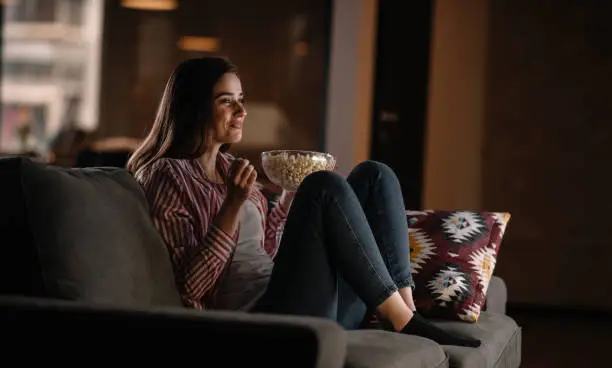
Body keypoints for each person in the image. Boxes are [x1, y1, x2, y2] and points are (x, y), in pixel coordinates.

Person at [127, 57, 480, 348]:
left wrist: (285, 204)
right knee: (324, 186)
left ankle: (405, 309)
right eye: (226, 100)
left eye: (241, 99)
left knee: (375, 174)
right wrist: (231, 206)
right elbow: (189, 287)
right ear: (194, 108)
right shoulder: (166, 175)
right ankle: (404, 322)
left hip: (305, 300)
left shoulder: (234, 170)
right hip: (261, 319)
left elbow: (270, 252)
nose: (241, 110)